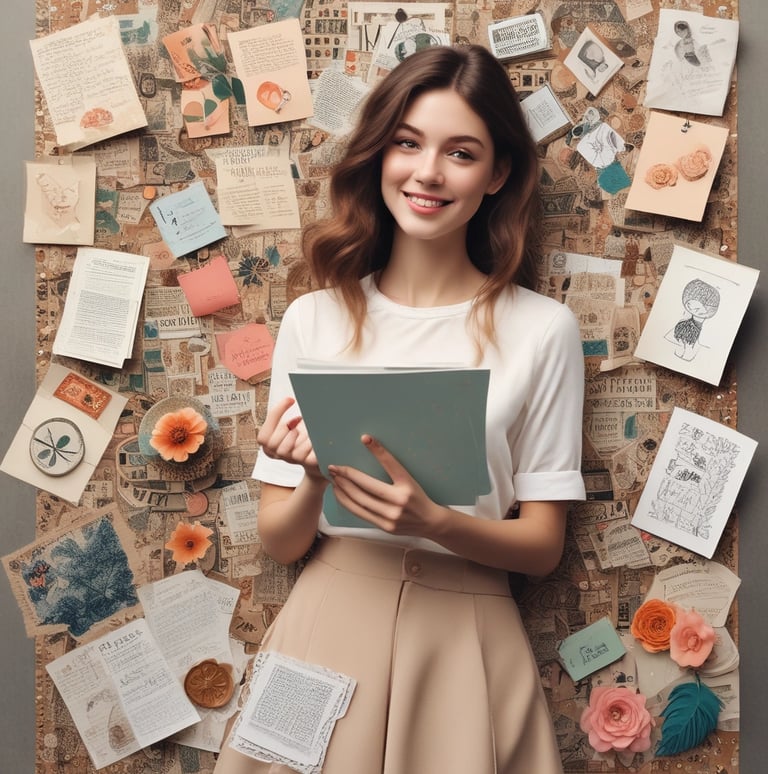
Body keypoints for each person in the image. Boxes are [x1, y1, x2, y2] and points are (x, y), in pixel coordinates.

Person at [214, 44, 585, 774]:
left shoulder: (543, 330)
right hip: (326, 626)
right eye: (407, 143)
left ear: (497, 174)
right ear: (380, 155)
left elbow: (543, 546)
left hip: (468, 633)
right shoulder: (314, 320)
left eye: (461, 152)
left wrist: (437, 524)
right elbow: (281, 541)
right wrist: (317, 478)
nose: (427, 173)